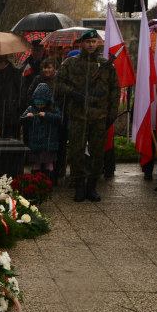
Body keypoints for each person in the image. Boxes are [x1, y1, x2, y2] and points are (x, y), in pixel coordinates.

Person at [55, 29, 120, 202]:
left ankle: (92, 187)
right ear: (81, 44)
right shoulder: (71, 63)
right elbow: (58, 83)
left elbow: (115, 90)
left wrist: (112, 113)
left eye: (94, 42)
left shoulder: (106, 65)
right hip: (78, 115)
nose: (91, 45)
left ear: (98, 43)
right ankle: (79, 186)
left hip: (99, 116)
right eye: (87, 42)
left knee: (97, 153)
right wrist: (73, 93)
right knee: (76, 152)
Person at [21, 83, 62, 173]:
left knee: (48, 163)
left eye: (42, 103)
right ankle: (36, 181)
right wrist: (27, 116)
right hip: (36, 143)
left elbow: (59, 118)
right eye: (37, 103)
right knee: (36, 164)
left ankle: (48, 180)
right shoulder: (31, 108)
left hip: (49, 143)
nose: (39, 106)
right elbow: (22, 119)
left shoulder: (53, 108)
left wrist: (47, 115)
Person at [0, 55, 21, 139]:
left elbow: (20, 93)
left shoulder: (15, 74)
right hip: (1, 115)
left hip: (12, 114)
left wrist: (16, 107)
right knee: (3, 141)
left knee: (12, 140)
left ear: (5, 62)